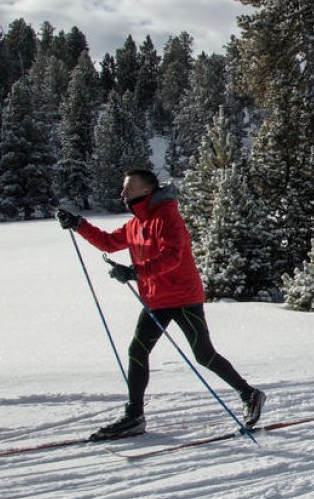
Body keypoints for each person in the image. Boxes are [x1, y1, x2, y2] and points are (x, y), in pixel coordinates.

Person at [56, 169, 265, 440]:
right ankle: (134, 417)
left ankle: (250, 394)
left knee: (203, 354)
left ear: (147, 190)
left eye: (128, 189)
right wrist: (78, 224)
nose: (123, 194)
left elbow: (172, 257)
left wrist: (134, 272)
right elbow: (108, 242)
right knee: (137, 351)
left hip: (182, 298)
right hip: (156, 299)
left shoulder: (167, 217)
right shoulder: (135, 224)